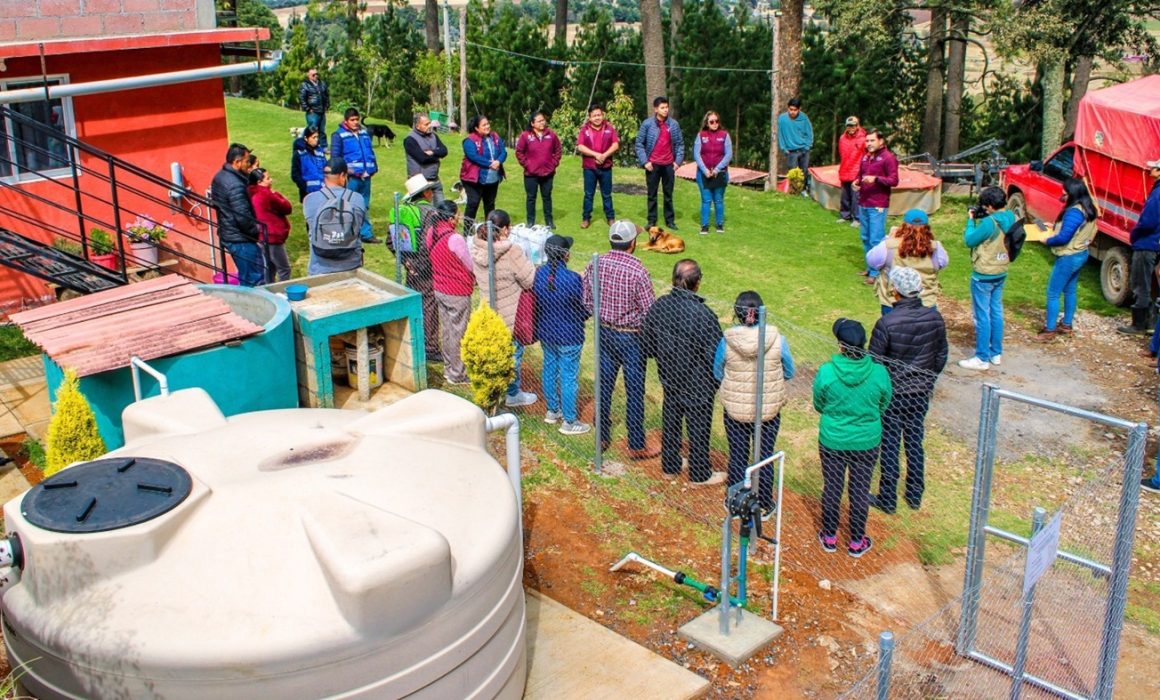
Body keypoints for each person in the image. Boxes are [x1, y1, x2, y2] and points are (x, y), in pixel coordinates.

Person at [869, 267, 947, 514]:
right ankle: (914, 494)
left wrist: (885, 388)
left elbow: (874, 362)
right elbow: (941, 355)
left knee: (890, 444)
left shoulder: (887, 323)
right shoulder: (934, 318)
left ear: (895, 291)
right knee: (914, 441)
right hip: (919, 392)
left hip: (895, 394)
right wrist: (927, 379)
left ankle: (888, 497)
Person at [812, 318, 892, 558]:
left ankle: (829, 536)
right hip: (866, 441)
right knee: (860, 489)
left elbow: (819, 403)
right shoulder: (879, 373)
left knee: (832, 486)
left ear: (840, 345)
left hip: (833, 439)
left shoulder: (827, 372)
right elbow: (884, 403)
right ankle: (857, 540)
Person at [641, 259, 724, 485]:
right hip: (698, 385)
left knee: (671, 421)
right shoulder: (704, 315)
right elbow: (716, 356)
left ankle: (670, 466)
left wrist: (665, 357)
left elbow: (647, 344)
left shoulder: (660, 306)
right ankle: (699, 473)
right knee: (699, 429)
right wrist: (714, 381)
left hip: (670, 379)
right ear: (697, 283)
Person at [714, 291, 795, 515]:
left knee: (738, 454)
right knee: (765, 456)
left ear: (737, 313)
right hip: (768, 410)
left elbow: (717, 371)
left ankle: (736, 500)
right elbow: (789, 371)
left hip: (736, 410)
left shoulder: (726, 341)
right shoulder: (778, 340)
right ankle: (764, 502)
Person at [583, 221, 658, 459]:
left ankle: (602, 435)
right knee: (634, 390)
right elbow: (650, 311)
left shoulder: (596, 263)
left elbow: (587, 300)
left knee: (604, 385)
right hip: (631, 338)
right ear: (632, 243)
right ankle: (636, 443)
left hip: (604, 332)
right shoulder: (638, 270)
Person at [470, 209, 537, 407]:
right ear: (506, 229)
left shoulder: (476, 247)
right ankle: (513, 393)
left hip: (489, 309)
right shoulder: (511, 251)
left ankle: (497, 389)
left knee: (497, 352)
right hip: (511, 312)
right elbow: (529, 279)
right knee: (513, 353)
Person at [535, 235, 591, 435]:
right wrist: (583, 316)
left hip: (547, 333)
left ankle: (552, 410)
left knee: (549, 368)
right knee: (568, 377)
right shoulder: (573, 278)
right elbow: (584, 308)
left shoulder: (539, 274)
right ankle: (569, 421)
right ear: (566, 255)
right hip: (569, 336)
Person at [1034, 178, 1099, 342]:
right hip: (1081, 253)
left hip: (1068, 257)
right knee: (1070, 290)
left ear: (1072, 193)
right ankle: (1066, 325)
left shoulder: (1074, 212)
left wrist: (1047, 240)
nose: (1062, 194)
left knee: (1053, 293)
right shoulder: (1088, 208)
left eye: (1064, 192)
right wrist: (1054, 227)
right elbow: (1074, 229)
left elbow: (1063, 238)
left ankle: (1049, 330)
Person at [959, 187, 1016, 370]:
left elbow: (970, 240)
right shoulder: (1011, 217)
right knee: (996, 312)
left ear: (990, 206)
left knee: (982, 316)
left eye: (985, 205)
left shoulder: (989, 223)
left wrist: (970, 221)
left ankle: (981, 358)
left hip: (984, 273)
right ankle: (996, 353)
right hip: (1001, 269)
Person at [389, 174, 442, 362]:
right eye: (430, 190)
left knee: (414, 304)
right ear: (425, 193)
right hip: (426, 268)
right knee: (429, 306)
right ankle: (429, 348)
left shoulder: (403, 211)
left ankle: (412, 341)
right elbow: (430, 243)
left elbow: (391, 241)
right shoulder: (431, 213)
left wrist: (406, 262)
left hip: (410, 267)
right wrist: (422, 265)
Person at [427, 200, 474, 386]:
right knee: (458, 333)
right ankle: (457, 373)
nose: (459, 217)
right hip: (457, 291)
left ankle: (449, 367)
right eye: (457, 215)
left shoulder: (432, 232)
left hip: (439, 288)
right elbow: (469, 264)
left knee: (447, 330)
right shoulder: (455, 239)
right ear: (451, 218)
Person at [866, 209, 949, 314]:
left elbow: (871, 260)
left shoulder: (888, 246)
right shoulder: (936, 247)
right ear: (927, 228)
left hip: (893, 303)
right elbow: (943, 264)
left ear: (903, 226)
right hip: (926, 302)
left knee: (890, 325)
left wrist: (888, 238)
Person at [210, 143, 264, 287]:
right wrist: (255, 230)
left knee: (248, 277)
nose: (249, 165)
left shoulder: (220, 177)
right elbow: (242, 216)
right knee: (254, 280)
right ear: (237, 162)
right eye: (247, 161)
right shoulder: (235, 185)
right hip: (241, 239)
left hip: (230, 234)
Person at [303, 157, 365, 276]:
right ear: (342, 176)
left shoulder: (309, 200)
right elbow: (359, 225)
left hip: (319, 268)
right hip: (351, 266)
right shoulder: (357, 199)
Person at [1119, 158, 1160, 335]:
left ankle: (1138, 324)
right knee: (1150, 284)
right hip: (1156, 243)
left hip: (1147, 242)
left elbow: (1148, 221)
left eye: (1155, 168)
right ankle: (1151, 323)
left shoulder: (1157, 193)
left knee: (1139, 283)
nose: (1150, 170)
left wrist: (1135, 234)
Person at [854, 129, 899, 283]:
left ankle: (876, 272)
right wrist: (856, 182)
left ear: (881, 141)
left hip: (878, 204)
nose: (869, 144)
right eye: (867, 141)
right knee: (865, 237)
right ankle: (870, 267)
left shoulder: (888, 158)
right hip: (863, 202)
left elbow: (894, 180)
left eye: (872, 140)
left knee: (876, 239)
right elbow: (861, 175)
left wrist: (877, 179)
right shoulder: (865, 157)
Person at [635, 96, 684, 230]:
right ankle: (652, 220)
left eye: (666, 107)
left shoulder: (673, 125)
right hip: (653, 165)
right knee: (652, 194)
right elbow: (639, 143)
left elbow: (680, 144)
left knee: (668, 195)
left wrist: (677, 162)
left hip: (669, 164)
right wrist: (645, 162)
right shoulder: (647, 124)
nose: (665, 110)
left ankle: (670, 221)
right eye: (662, 108)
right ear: (656, 109)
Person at [332, 108, 379, 243]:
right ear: (346, 121)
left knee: (364, 204)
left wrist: (374, 167)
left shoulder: (364, 133)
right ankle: (347, 233)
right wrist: (345, 172)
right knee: (348, 205)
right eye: (352, 120)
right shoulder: (339, 135)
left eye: (357, 119)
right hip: (351, 177)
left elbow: (370, 151)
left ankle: (365, 233)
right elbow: (336, 157)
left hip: (366, 175)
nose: (355, 122)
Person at [515, 111, 562, 229]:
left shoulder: (551, 135)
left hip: (548, 173)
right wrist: (527, 165)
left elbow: (558, 150)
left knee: (547, 197)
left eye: (543, 120)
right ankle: (530, 221)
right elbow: (519, 152)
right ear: (532, 123)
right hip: (531, 174)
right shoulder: (525, 136)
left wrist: (553, 164)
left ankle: (549, 221)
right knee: (531, 197)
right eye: (539, 121)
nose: (542, 123)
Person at [577, 103, 620, 229]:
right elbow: (580, 146)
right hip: (589, 168)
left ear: (603, 115)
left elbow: (615, 145)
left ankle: (610, 218)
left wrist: (604, 155)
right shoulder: (584, 130)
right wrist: (596, 155)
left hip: (606, 167)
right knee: (588, 194)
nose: (597, 118)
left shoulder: (609, 128)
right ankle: (586, 218)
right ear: (590, 117)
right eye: (594, 115)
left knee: (607, 194)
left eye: (599, 115)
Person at [460, 115, 507, 226]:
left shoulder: (495, 136)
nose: (487, 126)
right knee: (473, 203)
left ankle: (490, 231)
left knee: (490, 204)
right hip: (474, 179)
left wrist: (498, 161)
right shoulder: (469, 141)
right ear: (477, 128)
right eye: (484, 125)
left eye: (488, 124)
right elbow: (473, 156)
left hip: (492, 178)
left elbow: (503, 152)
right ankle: (468, 230)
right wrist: (490, 164)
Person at [247, 168, 293, 283]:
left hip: (261, 235)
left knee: (269, 268)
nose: (271, 180)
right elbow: (287, 208)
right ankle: (282, 290)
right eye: (267, 178)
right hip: (272, 235)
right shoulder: (266, 194)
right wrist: (276, 194)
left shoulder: (251, 193)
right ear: (259, 182)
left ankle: (269, 289)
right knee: (284, 269)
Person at [693, 110, 732, 235]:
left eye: (717, 121)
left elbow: (728, 155)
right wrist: (705, 170)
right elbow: (697, 154)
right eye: (712, 122)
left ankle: (719, 224)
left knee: (718, 199)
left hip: (720, 173)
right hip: (703, 173)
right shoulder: (701, 135)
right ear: (707, 123)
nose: (715, 124)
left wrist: (717, 169)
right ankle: (704, 225)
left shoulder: (724, 135)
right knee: (706, 200)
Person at [403, 113, 449, 204]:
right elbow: (423, 159)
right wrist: (437, 156)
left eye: (429, 123)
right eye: (426, 124)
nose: (429, 126)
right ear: (418, 126)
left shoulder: (434, 136)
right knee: (425, 210)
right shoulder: (410, 140)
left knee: (442, 209)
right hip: (419, 184)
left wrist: (432, 152)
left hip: (434, 180)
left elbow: (444, 151)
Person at [777, 97, 814, 192]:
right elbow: (780, 135)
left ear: (799, 109)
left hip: (803, 149)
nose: (792, 112)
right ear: (788, 108)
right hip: (791, 151)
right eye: (791, 109)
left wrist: (807, 146)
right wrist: (784, 148)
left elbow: (809, 133)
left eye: (795, 110)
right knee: (793, 172)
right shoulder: (782, 119)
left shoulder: (804, 118)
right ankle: (794, 191)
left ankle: (803, 191)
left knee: (803, 171)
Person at [837, 116, 866, 225]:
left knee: (856, 197)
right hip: (844, 170)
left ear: (857, 126)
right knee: (845, 196)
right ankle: (845, 216)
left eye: (853, 125)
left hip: (856, 171)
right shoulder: (842, 138)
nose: (851, 128)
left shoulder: (863, 139)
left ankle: (857, 218)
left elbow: (866, 155)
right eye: (849, 126)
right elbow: (841, 154)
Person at [290, 125, 327, 202]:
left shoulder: (319, 151)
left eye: (317, 137)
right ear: (306, 138)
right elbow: (295, 175)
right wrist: (304, 187)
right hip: (307, 193)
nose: (316, 139)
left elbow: (325, 167)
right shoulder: (299, 153)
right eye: (313, 137)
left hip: (323, 191)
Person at [299, 68, 330, 150]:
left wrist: (326, 106)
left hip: (321, 111)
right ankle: (309, 146)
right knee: (312, 130)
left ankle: (323, 147)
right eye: (313, 75)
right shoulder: (305, 85)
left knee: (322, 130)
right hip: (312, 112)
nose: (316, 76)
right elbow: (302, 98)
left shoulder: (322, 84)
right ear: (309, 75)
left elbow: (326, 95)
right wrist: (308, 109)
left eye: (317, 74)